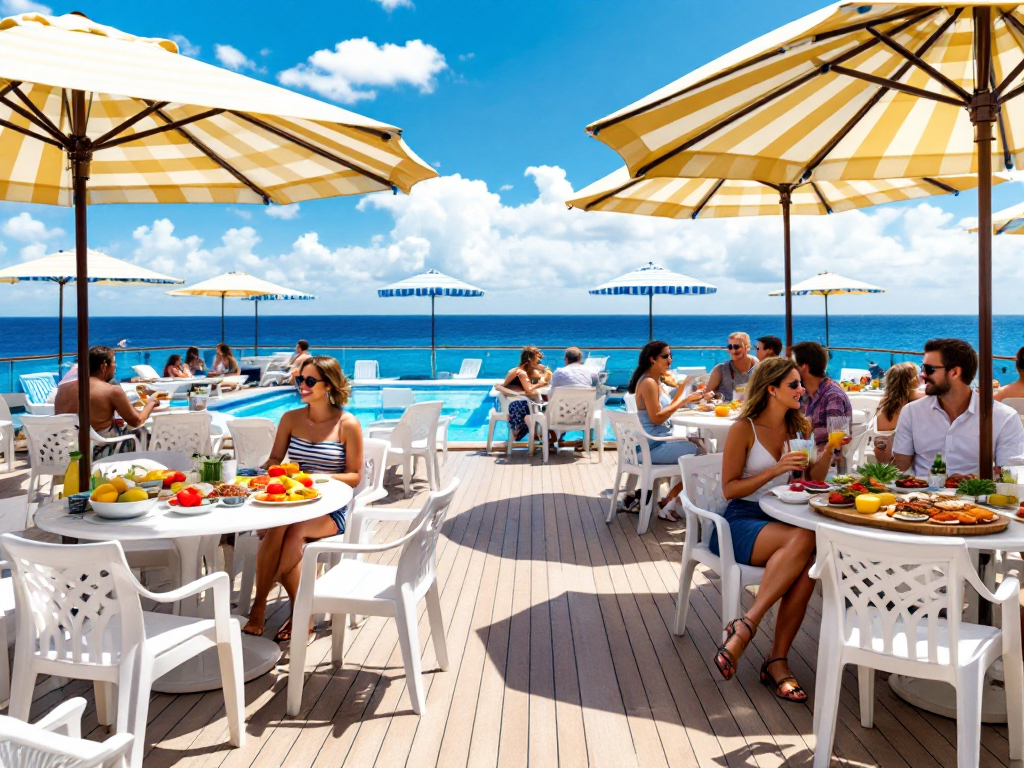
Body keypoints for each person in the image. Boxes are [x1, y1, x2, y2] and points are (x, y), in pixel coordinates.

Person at [711, 357, 840, 702]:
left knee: (807, 556)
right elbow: (729, 489)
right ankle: (771, 655)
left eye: (801, 383)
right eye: (793, 385)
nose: (801, 390)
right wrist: (774, 470)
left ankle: (756, 635)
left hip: (783, 519)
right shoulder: (744, 429)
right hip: (741, 520)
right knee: (808, 545)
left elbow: (811, 478)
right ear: (771, 390)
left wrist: (828, 450)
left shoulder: (800, 426)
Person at [242, 356, 363, 641]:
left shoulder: (348, 424)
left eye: (310, 381)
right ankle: (289, 610)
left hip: (332, 508)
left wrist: (316, 477)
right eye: (300, 379)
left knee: (292, 531)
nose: (302, 386)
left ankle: (266, 608)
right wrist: (271, 470)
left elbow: (355, 476)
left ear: (329, 385)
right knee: (280, 527)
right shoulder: (290, 419)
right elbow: (275, 458)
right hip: (294, 502)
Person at [893, 338, 1024, 477]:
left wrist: (970, 480)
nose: (922, 375)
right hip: (920, 489)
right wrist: (884, 448)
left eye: (929, 369)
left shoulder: (1004, 418)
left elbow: (1009, 473)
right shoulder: (911, 412)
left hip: (975, 490)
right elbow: (900, 468)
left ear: (955, 372)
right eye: (922, 368)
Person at [625, 341, 707, 521]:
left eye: (670, 356)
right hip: (651, 447)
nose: (670, 360)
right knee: (704, 455)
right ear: (652, 359)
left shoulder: (654, 380)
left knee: (698, 443)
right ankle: (672, 501)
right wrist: (684, 401)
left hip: (653, 442)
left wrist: (683, 389)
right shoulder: (649, 383)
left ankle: (674, 499)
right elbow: (657, 418)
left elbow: (667, 408)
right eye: (665, 356)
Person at [53, 345, 158, 443]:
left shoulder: (63, 389)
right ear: (104, 365)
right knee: (141, 432)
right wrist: (151, 403)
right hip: (97, 450)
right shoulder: (112, 390)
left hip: (65, 449)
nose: (115, 367)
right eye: (114, 363)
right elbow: (137, 421)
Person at [792, 341, 852, 453]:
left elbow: (837, 441)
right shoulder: (803, 392)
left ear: (804, 367)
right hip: (804, 452)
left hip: (825, 459)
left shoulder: (833, 396)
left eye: (792, 364)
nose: (789, 369)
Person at [499, 346, 551, 443]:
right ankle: (540, 435)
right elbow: (503, 388)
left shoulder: (532, 373)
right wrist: (539, 384)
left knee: (546, 405)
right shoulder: (515, 372)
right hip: (514, 404)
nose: (539, 362)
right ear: (530, 359)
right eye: (537, 360)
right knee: (539, 408)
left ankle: (540, 435)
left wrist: (543, 375)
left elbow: (542, 384)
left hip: (526, 403)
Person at [872, 362, 921, 462]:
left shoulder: (884, 401)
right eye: (916, 375)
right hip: (898, 459)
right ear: (912, 381)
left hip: (880, 456)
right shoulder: (908, 402)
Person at [707, 332, 757, 402]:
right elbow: (707, 393)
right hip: (725, 407)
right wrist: (717, 396)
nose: (733, 350)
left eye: (737, 347)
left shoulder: (758, 368)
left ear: (747, 347)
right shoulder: (720, 370)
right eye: (730, 347)